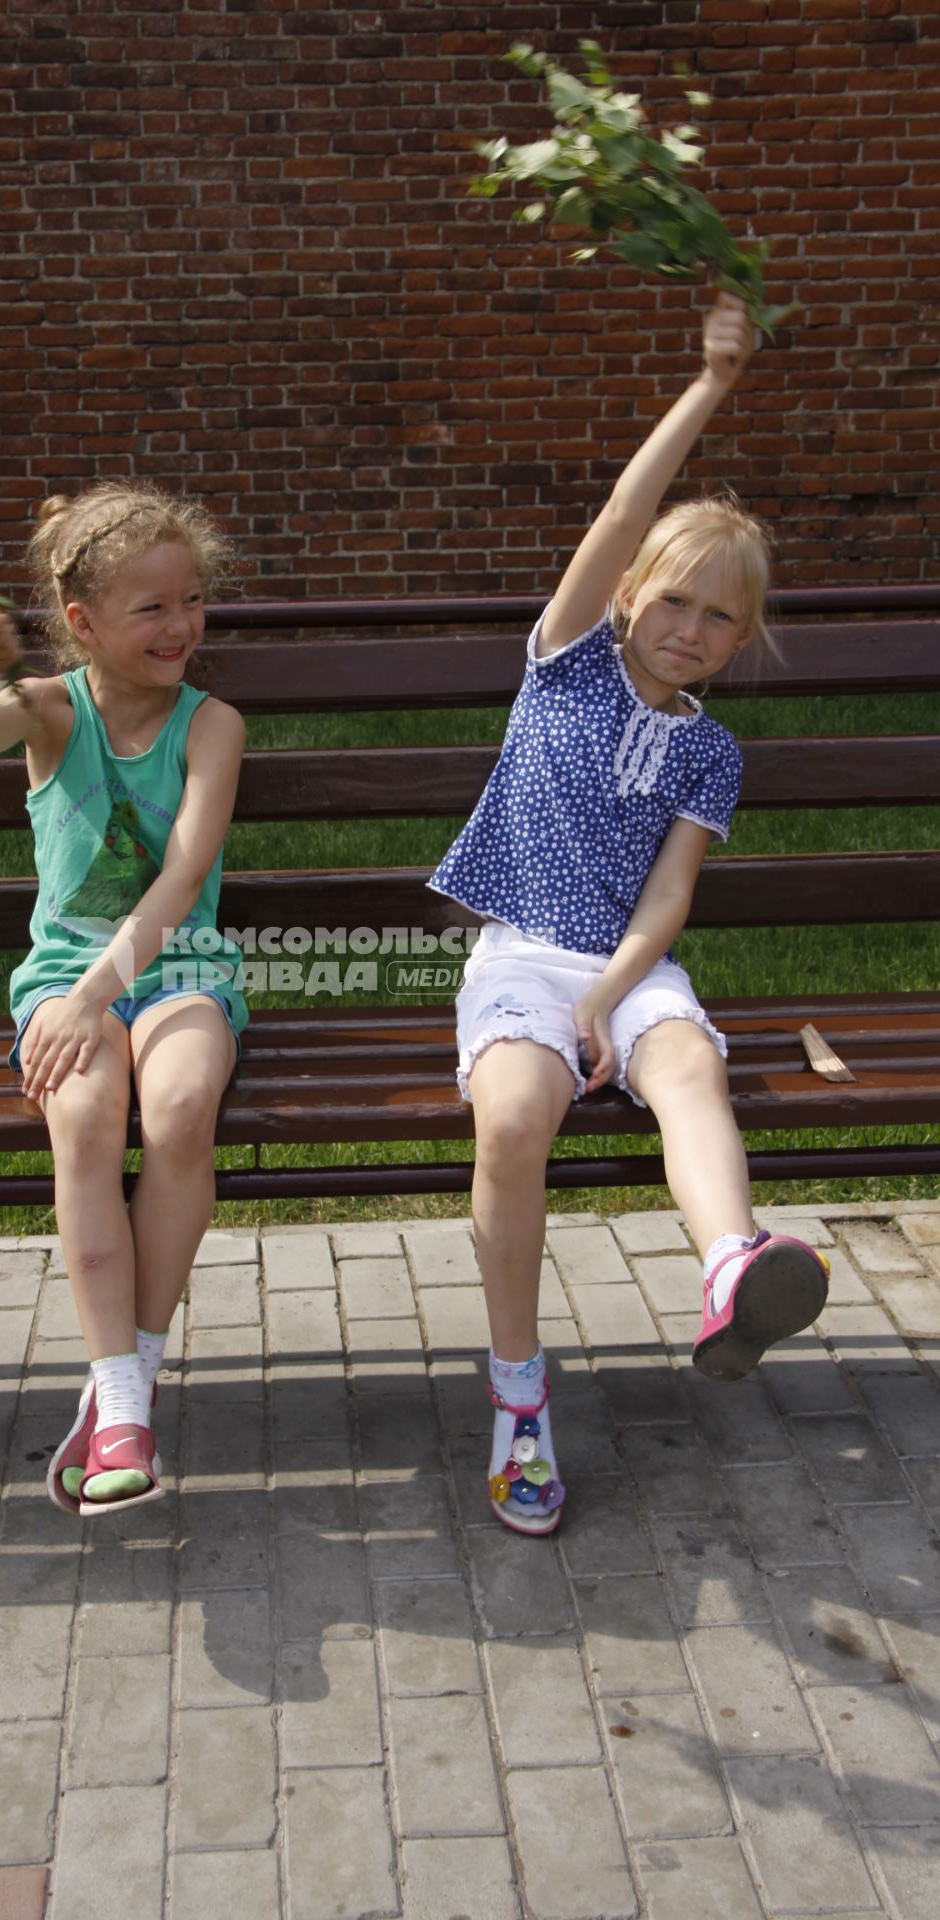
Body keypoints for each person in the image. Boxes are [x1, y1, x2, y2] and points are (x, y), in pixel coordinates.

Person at [429, 293, 829, 1538]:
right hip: (517, 960)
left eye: (721, 618)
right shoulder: (563, 661)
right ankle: (516, 1395)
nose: (691, 632)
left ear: (742, 637)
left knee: (692, 1064)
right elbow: (617, 514)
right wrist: (710, 387)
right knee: (509, 1124)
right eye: (673, 603)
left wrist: (610, 997)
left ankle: (728, 1269)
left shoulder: (708, 755)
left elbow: (666, 901)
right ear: (624, 598)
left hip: (623, 970)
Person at [0, 481, 247, 1517]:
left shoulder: (213, 727)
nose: (179, 626)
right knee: (83, 1114)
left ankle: (127, 1388)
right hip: (65, 977)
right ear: (82, 623)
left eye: (190, 600)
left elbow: (177, 878)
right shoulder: (49, 709)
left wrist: (98, 998)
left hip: (178, 968)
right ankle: (120, 1394)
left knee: (183, 1106)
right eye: (151, 608)